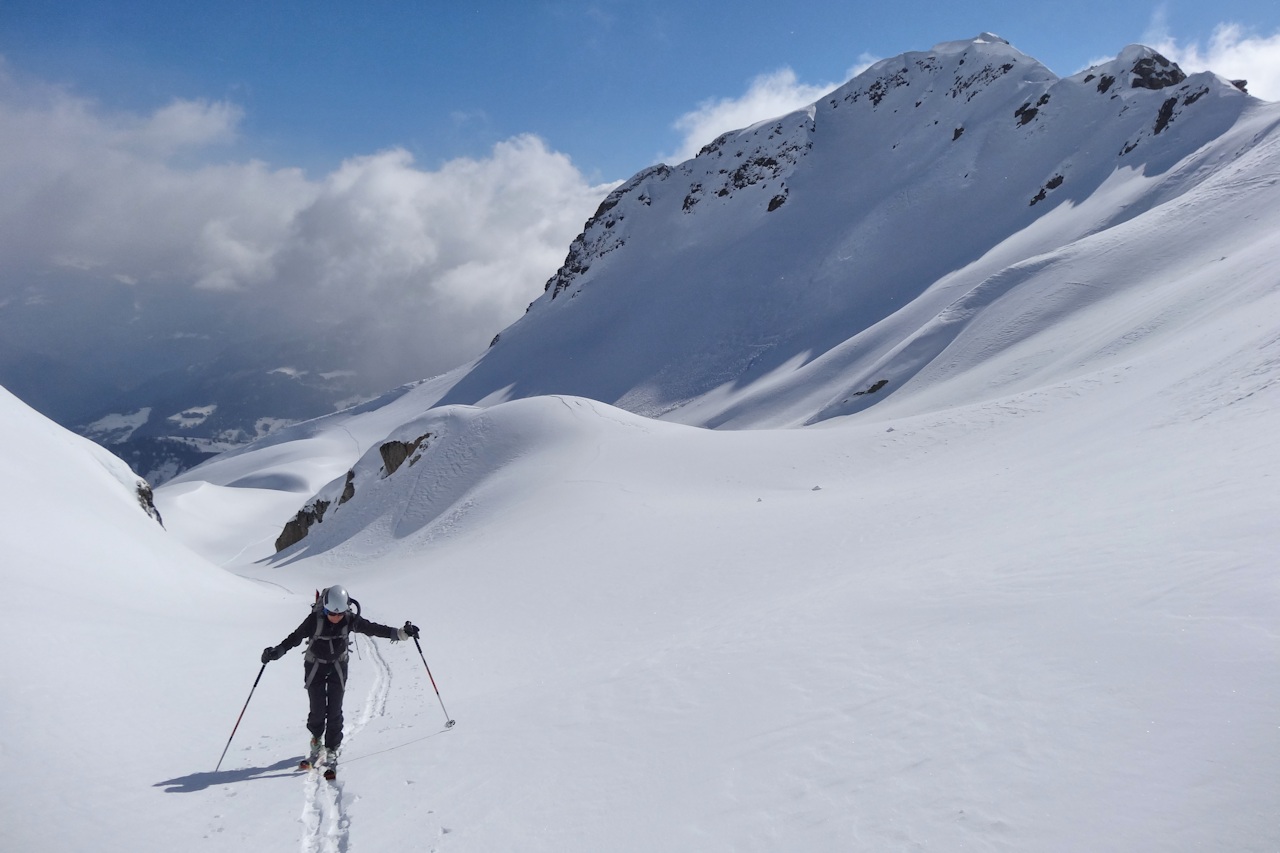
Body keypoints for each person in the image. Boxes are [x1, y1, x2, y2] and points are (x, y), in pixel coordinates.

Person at [261, 585, 419, 776]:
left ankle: (332, 750)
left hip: (337, 666)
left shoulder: (349, 620)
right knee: (317, 709)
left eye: (339, 614)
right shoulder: (315, 620)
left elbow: (374, 628)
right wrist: (277, 651)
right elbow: (295, 637)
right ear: (324, 608)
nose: (335, 617)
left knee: (335, 709)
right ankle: (316, 743)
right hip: (315, 667)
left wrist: (400, 633)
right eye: (330, 613)